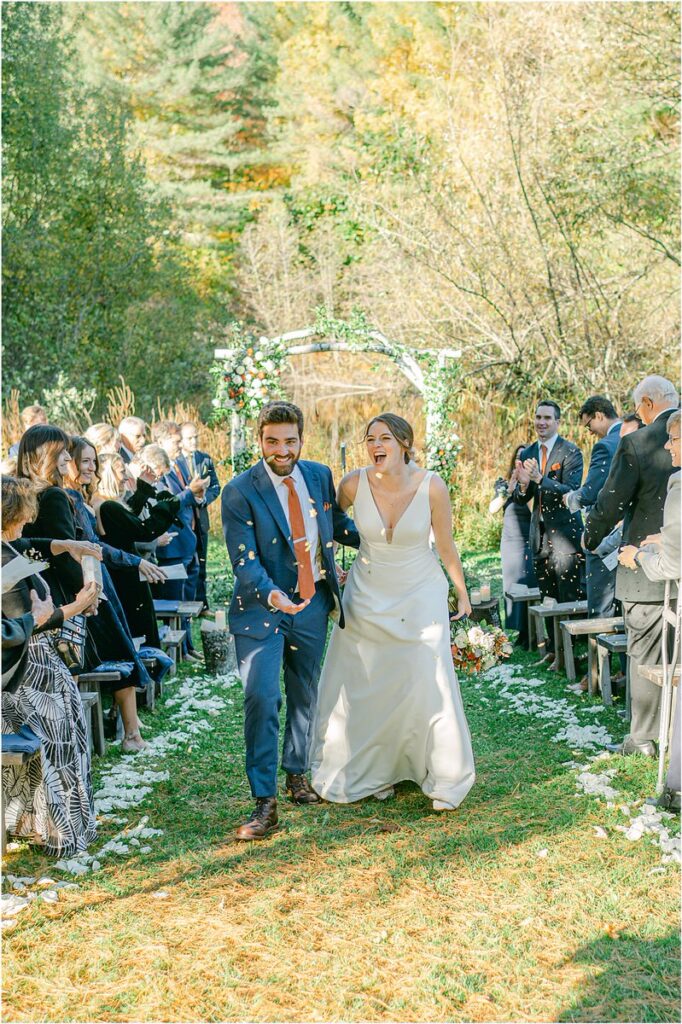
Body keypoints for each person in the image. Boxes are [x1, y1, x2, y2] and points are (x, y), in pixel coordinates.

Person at [310, 413, 475, 811]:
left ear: (404, 443)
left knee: (426, 678)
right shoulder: (352, 483)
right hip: (366, 594)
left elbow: (446, 546)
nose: (375, 445)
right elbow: (325, 525)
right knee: (367, 683)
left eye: (384, 438)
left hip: (420, 593)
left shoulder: (432, 486)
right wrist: (328, 567)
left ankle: (443, 774)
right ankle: (373, 769)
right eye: (370, 439)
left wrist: (461, 590)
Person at [221, 400, 360, 841]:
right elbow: (244, 561)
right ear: (260, 440)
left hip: (313, 604)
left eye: (290, 440)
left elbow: (336, 525)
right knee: (262, 697)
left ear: (301, 439)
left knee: (305, 693)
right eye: (272, 441)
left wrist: (386, 537)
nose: (282, 450)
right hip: (262, 610)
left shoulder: (319, 476)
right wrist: (273, 595)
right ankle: (264, 802)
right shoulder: (240, 490)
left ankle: (297, 773)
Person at [17, 425, 147, 753]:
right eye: (61, 452)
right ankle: (121, 736)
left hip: (34, 592)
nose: (67, 458)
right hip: (68, 594)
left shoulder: (22, 491)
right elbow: (68, 556)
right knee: (77, 666)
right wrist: (88, 595)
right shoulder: (54, 495)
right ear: (44, 456)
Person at [2, 476, 98, 856]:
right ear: (10, 514)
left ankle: (42, 826)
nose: (28, 521)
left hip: (38, 667)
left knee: (66, 737)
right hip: (27, 676)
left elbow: (29, 546)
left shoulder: (8, 546)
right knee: (58, 744)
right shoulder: (3, 565)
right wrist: (76, 605)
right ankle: (57, 830)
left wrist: (65, 544)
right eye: (23, 514)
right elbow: (25, 624)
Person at [585, 375, 679, 756]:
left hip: (645, 569)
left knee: (644, 651)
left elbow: (611, 502)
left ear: (646, 403)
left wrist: (591, 537)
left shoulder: (636, 443)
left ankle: (642, 739)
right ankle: (674, 733)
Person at [65, 437, 163, 711]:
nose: (91, 468)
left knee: (122, 645)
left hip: (109, 575)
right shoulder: (82, 501)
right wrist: (133, 560)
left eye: (94, 462)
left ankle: (129, 723)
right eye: (85, 461)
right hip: (99, 580)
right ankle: (127, 726)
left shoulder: (84, 499)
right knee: (118, 647)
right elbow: (106, 542)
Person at [618, 409, 680, 804]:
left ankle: (675, 787)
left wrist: (637, 557)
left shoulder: (679, 484)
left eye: (674, 439)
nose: (669, 446)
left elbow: (673, 565)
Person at [512, 400, 584, 661]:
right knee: (548, 595)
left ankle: (573, 651)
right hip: (539, 534)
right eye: (538, 417)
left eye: (547, 418)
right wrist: (522, 486)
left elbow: (573, 492)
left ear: (557, 422)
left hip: (565, 535)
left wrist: (541, 479)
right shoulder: (529, 451)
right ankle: (553, 650)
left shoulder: (571, 452)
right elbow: (523, 498)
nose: (541, 422)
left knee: (568, 594)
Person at [94, 450, 178, 648]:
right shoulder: (108, 507)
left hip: (125, 572)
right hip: (125, 576)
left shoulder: (107, 504)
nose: (125, 477)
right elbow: (144, 530)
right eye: (121, 472)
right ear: (109, 475)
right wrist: (169, 505)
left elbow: (129, 515)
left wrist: (143, 487)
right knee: (140, 630)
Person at [153, 423, 206, 657]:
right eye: (175, 441)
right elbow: (168, 504)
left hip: (187, 540)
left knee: (187, 598)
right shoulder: (158, 469)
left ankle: (189, 645)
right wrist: (189, 492)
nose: (180, 445)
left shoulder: (178, 465)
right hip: (171, 546)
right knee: (176, 600)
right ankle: (181, 650)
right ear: (162, 441)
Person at [489, 444, 537, 646]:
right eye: (517, 458)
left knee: (526, 584)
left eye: (524, 459)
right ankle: (518, 630)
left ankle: (531, 633)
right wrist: (508, 490)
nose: (520, 461)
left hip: (527, 539)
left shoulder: (534, 484)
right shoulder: (502, 483)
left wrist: (525, 487)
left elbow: (535, 510)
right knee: (511, 586)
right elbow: (493, 509)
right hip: (509, 541)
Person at [179, 421, 220, 613]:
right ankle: (187, 603)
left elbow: (215, 487)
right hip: (185, 520)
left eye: (195, 436)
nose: (193, 441)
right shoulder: (175, 461)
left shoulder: (205, 459)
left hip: (201, 518)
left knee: (201, 563)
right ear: (180, 440)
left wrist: (204, 500)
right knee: (189, 563)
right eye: (189, 438)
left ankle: (203, 604)